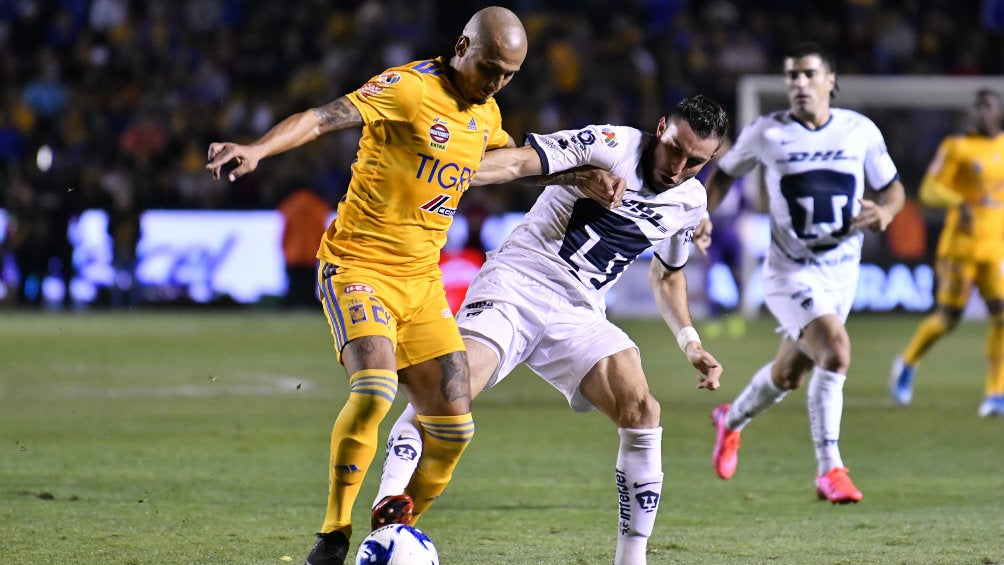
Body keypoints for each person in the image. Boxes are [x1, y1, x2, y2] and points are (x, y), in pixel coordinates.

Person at [206, 8, 586, 565]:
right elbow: (322, 117)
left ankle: (393, 529)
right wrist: (259, 149)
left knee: (455, 431)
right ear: (462, 46)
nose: (497, 83)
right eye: (489, 69)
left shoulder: (486, 113)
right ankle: (333, 535)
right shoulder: (407, 88)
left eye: (509, 75)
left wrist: (576, 173)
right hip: (358, 267)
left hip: (422, 284)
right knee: (375, 391)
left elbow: (507, 160)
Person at [371, 95, 728, 565]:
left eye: (695, 161)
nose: (678, 167)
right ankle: (389, 501)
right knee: (449, 392)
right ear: (660, 127)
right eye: (673, 149)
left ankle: (631, 559)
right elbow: (520, 160)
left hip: (579, 312)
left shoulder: (689, 200)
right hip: (518, 283)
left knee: (642, 408)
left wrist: (691, 343)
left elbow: (669, 273)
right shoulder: (610, 144)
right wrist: (452, 171)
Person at [702, 42, 905, 503]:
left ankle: (729, 420)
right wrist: (704, 214)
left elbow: (893, 189)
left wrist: (886, 212)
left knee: (789, 374)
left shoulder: (859, 131)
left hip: (842, 273)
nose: (798, 84)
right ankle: (829, 469)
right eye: (791, 76)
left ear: (830, 80)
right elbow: (723, 174)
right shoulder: (767, 133)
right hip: (789, 272)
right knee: (835, 350)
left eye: (808, 74)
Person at [890, 89, 1004, 417]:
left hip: (994, 249)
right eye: (978, 106)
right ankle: (908, 363)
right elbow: (928, 190)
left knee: (1001, 316)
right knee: (948, 319)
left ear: (998, 112)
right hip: (960, 249)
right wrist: (958, 201)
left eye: (988, 106)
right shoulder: (957, 146)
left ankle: (995, 393)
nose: (981, 112)